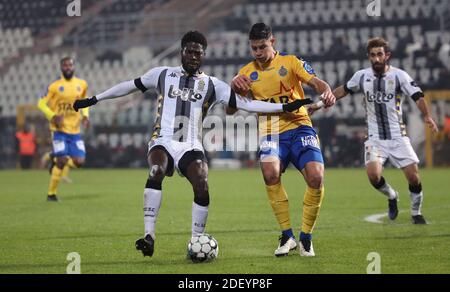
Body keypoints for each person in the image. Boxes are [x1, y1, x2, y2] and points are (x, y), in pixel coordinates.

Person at [72, 31, 312, 258]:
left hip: (191, 145)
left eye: (198, 53)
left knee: (202, 183)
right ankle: (149, 235)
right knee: (156, 170)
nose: (193, 56)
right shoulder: (162, 74)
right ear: (181, 52)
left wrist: (283, 107)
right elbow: (128, 86)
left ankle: (196, 241)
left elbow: (246, 104)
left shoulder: (212, 84)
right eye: (189, 52)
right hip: (162, 141)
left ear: (203, 55)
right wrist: (96, 99)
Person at [230, 23, 336, 257]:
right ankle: (287, 236)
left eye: (262, 47)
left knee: (316, 177)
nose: (258, 52)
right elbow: (230, 111)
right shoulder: (246, 73)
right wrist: (234, 91)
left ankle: (306, 238)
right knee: (270, 173)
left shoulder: (291, 62)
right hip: (270, 132)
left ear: (273, 42)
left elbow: (318, 84)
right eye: (254, 48)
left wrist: (326, 93)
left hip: (300, 128)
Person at [309, 37, 439, 224]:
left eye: (379, 54)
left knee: (413, 177)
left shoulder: (399, 76)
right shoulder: (362, 76)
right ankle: (392, 195)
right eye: (372, 55)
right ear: (368, 57)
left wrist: (427, 116)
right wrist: (318, 105)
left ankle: (416, 212)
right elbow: (342, 91)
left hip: (398, 136)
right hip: (375, 137)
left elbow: (417, 96)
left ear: (387, 55)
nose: (376, 59)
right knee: (373, 175)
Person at [37, 57, 90, 202]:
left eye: (70, 65)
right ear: (61, 68)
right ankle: (51, 194)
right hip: (59, 130)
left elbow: (84, 103)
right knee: (62, 160)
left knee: (79, 162)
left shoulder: (82, 84)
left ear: (74, 67)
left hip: (75, 131)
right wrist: (53, 115)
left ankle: (53, 157)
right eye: (65, 65)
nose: (68, 67)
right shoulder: (54, 86)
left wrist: (85, 116)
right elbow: (41, 103)